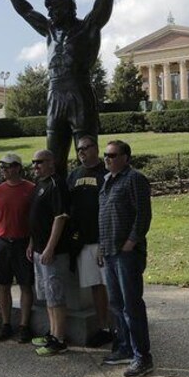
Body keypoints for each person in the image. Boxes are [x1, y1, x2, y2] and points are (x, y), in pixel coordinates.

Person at [0, 0, 114, 177]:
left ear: (69, 8)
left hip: (79, 91)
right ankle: (56, 206)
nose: (50, 13)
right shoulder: (49, 30)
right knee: (52, 159)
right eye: (48, 9)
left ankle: (89, 199)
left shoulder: (88, 26)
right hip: (54, 93)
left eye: (54, 8)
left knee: (87, 154)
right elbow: (25, 10)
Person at [98, 139, 154, 377]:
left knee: (132, 306)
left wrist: (132, 241)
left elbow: (143, 215)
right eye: (106, 155)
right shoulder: (107, 181)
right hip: (110, 252)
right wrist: (102, 247)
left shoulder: (135, 179)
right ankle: (124, 347)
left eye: (112, 155)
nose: (107, 159)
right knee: (117, 304)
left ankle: (143, 357)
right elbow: (103, 216)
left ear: (126, 157)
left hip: (127, 254)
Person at [66, 136, 112, 347]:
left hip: (105, 240)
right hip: (83, 242)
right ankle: (103, 327)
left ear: (96, 148)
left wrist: (106, 241)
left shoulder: (106, 174)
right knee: (95, 287)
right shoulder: (74, 175)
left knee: (112, 285)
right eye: (79, 149)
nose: (82, 152)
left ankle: (120, 327)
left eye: (86, 147)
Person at [0, 152, 36, 342]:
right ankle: (6, 324)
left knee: (25, 285)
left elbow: (34, 221)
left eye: (7, 167)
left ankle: (24, 326)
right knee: (4, 285)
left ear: (17, 167)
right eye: (2, 167)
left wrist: (32, 243)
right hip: (2, 243)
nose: (4, 170)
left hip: (22, 242)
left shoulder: (30, 189)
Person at [27, 149, 71, 356]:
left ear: (51, 163)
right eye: (34, 162)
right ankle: (52, 333)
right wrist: (31, 244)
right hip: (37, 250)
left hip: (52, 252)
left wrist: (50, 247)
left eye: (40, 162)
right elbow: (36, 218)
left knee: (55, 295)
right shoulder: (39, 184)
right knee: (47, 295)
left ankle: (59, 339)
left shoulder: (57, 184)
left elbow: (60, 217)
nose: (36, 166)